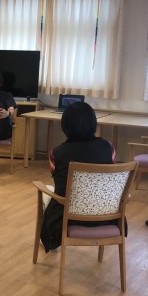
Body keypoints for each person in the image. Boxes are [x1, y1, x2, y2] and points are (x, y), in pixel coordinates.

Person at [40, 102, 116, 252]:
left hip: (67, 217)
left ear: (65, 125)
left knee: (46, 191)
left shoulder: (56, 153)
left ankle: (50, 239)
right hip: (106, 214)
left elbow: (58, 180)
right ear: (93, 123)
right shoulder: (109, 147)